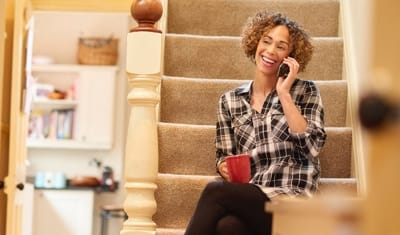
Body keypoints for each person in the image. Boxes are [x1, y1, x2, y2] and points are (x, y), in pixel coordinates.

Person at [184, 10, 327, 235]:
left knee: (215, 192)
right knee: (227, 227)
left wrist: (284, 94)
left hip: (294, 201)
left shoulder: (306, 91)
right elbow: (224, 156)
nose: (270, 51)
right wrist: (224, 168)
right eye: (266, 41)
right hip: (255, 197)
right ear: (255, 43)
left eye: (281, 46)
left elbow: (312, 147)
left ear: (291, 56)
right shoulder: (229, 101)